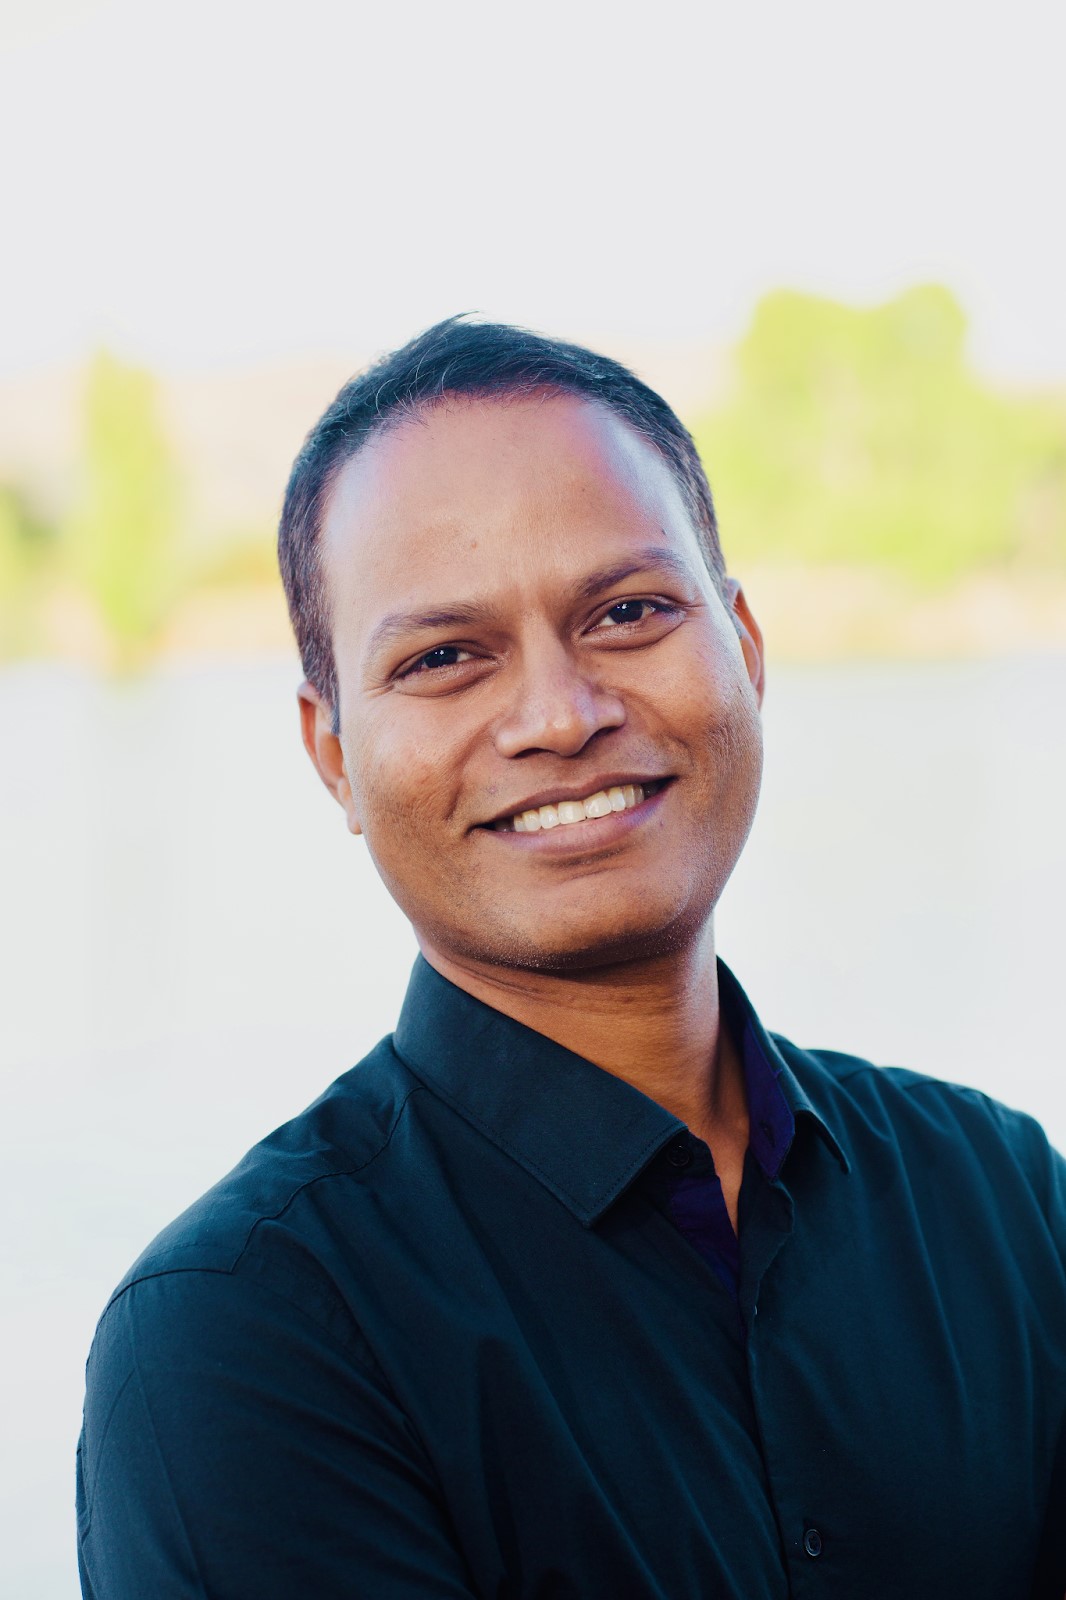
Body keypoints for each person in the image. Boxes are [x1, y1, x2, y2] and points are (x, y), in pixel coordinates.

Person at [76, 317, 1066, 1599]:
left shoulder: (997, 1197)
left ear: (744, 649)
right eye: (444, 657)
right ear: (334, 755)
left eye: (629, 612)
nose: (558, 714)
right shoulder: (242, 1336)